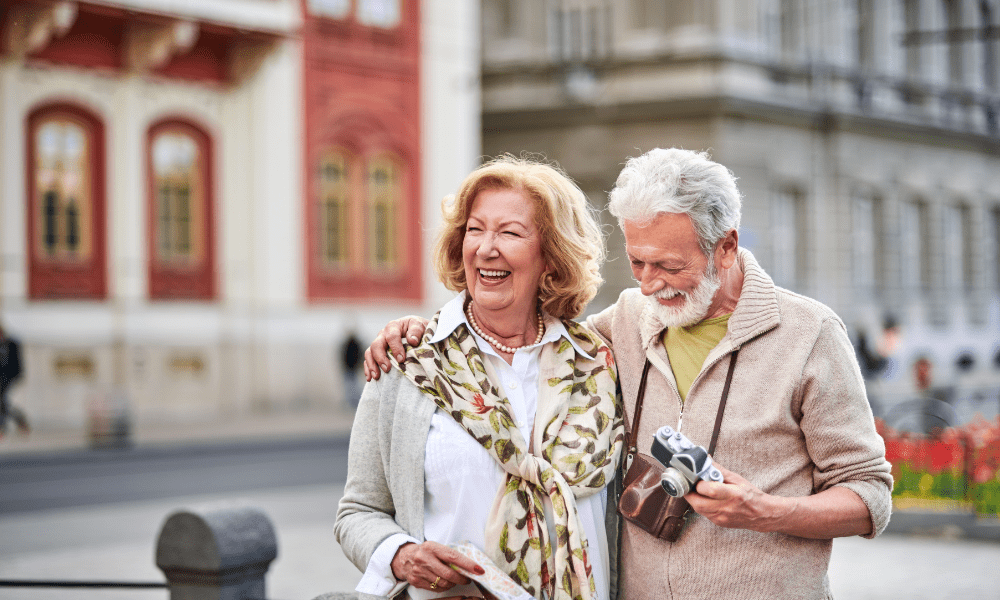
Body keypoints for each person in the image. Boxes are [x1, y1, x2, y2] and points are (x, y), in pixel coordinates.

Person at [365, 148, 894, 599]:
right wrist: (423, 331)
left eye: (668, 265)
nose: (649, 284)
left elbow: (869, 496)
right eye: (637, 262)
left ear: (727, 247)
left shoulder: (809, 335)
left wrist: (765, 510)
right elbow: (518, 327)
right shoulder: (621, 325)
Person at [335, 156, 624, 600]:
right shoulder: (410, 362)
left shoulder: (599, 360)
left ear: (551, 256)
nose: (486, 248)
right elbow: (358, 511)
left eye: (509, 232)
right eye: (474, 229)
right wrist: (400, 553)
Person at [0, 324, 30, 438]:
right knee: (2, 402)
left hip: (9, 377)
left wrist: (18, 375)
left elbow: (18, 362)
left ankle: (3, 427)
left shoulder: (12, 343)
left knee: (2, 401)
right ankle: (20, 420)